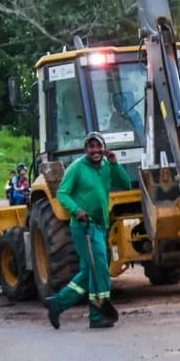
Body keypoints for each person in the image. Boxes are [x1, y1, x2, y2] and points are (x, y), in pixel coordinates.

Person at [44, 134, 131, 330]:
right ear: (86, 150)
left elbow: (125, 184)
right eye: (91, 147)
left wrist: (115, 164)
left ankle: (57, 303)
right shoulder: (77, 168)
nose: (95, 151)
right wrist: (77, 211)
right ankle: (97, 315)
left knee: (89, 271)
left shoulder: (107, 166)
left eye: (98, 146)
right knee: (99, 269)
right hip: (84, 226)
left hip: (101, 225)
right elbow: (62, 194)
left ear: (104, 148)